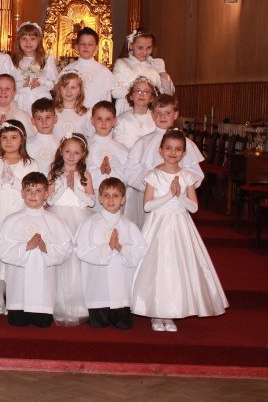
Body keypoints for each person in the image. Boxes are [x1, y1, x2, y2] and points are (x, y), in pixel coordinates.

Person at [131, 129, 228, 332]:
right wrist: (169, 195)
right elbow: (147, 206)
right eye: (168, 148)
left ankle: (171, 312)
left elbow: (194, 207)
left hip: (180, 225)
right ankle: (156, 313)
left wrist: (179, 196)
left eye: (178, 149)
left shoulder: (187, 176)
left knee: (176, 268)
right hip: (158, 224)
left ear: (184, 153)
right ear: (160, 150)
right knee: (157, 268)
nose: (173, 153)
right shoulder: (153, 175)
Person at [0, 120, 38, 314]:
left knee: (14, 248)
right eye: (4, 137)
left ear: (22, 140)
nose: (9, 142)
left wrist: (14, 181)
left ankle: (16, 295)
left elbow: (34, 188)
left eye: (13, 138)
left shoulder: (30, 163)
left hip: (18, 212)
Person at [0, 172, 74, 328]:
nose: (33, 194)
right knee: (17, 323)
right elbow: (3, 250)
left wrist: (46, 248)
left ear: (46, 194)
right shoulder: (11, 220)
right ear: (22, 193)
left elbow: (66, 250)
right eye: (29, 190)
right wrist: (26, 246)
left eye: (38, 190)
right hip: (18, 288)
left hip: (43, 287)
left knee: (42, 324)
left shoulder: (55, 221)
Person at [75, 178, 147, 329]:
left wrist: (121, 248)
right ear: (100, 198)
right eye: (106, 195)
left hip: (121, 287)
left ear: (123, 200)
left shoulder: (129, 225)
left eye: (115, 196)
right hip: (97, 287)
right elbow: (81, 250)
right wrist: (107, 248)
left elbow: (140, 252)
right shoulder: (90, 223)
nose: (110, 200)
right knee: (98, 324)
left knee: (124, 325)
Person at [124, 95, 204, 229]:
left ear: (176, 114)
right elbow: (131, 173)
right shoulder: (143, 142)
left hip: (175, 203)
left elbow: (195, 175)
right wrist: (153, 187)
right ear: (152, 115)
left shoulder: (185, 143)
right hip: (149, 198)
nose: (163, 117)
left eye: (167, 113)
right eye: (158, 113)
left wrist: (179, 187)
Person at [46, 133, 94, 326]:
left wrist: (75, 190)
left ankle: (77, 306)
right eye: (68, 151)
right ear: (61, 152)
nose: (71, 156)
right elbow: (48, 200)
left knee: (75, 261)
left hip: (78, 219)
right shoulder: (54, 173)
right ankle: (56, 304)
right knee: (58, 259)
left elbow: (91, 201)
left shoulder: (85, 175)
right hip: (58, 219)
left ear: (83, 154)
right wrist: (63, 187)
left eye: (76, 153)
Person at [112, 29, 174, 115]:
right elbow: (115, 92)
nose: (145, 52)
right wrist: (143, 91)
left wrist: (162, 72)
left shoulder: (154, 65)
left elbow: (168, 95)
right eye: (140, 48)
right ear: (131, 45)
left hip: (148, 112)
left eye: (149, 48)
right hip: (126, 109)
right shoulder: (122, 63)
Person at [86, 101, 129, 210]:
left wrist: (111, 172)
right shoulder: (85, 146)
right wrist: (99, 171)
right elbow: (81, 173)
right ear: (92, 121)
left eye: (108, 119)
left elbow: (127, 176)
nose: (103, 123)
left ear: (114, 122)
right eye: (99, 119)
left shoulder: (121, 149)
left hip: (114, 198)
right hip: (92, 195)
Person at [60, 27, 116, 109]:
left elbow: (106, 100)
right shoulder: (68, 70)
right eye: (82, 44)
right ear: (76, 47)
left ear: (96, 48)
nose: (86, 47)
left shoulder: (104, 71)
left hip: (95, 116)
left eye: (90, 44)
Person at [10, 21, 58, 115]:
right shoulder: (12, 61)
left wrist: (42, 82)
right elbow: (6, 85)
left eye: (32, 38)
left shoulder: (47, 59)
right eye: (24, 39)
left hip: (41, 99)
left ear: (39, 40)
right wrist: (20, 84)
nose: (28, 42)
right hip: (19, 100)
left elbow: (57, 85)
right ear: (18, 40)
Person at [112, 76, 157, 149]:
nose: (142, 94)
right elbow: (118, 146)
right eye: (137, 91)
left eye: (146, 91)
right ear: (131, 96)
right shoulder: (121, 120)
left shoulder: (156, 118)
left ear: (152, 98)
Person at [52, 70, 91, 139]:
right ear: (59, 89)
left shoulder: (87, 113)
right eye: (65, 87)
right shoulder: (52, 112)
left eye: (73, 87)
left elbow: (91, 137)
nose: (68, 91)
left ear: (80, 90)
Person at [25, 98, 59, 175]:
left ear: (55, 118)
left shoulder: (60, 145)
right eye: (39, 118)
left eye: (48, 117)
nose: (44, 122)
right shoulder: (26, 144)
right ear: (33, 121)